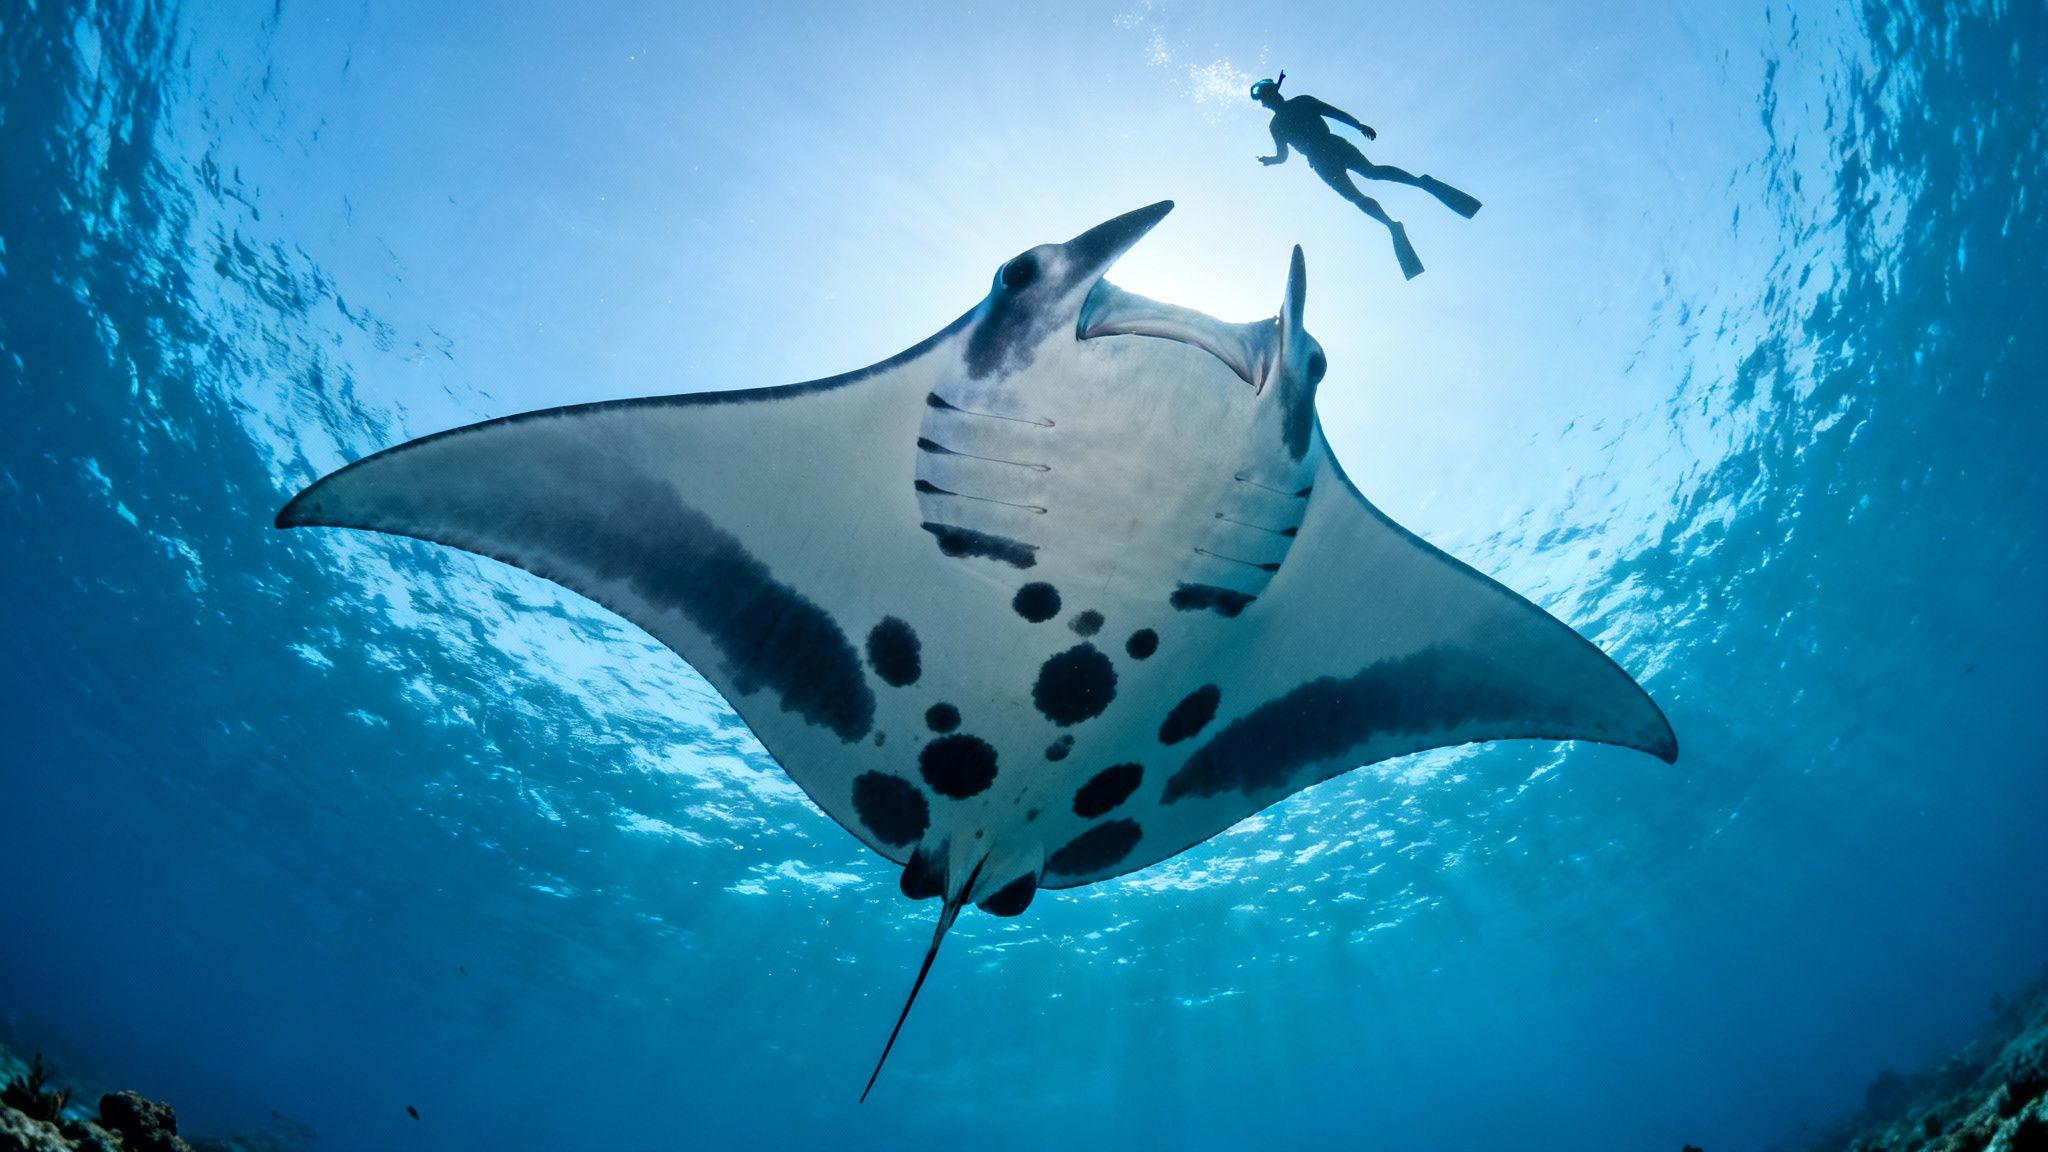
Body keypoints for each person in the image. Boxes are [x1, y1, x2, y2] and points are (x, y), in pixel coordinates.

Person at [1250, 72, 1481, 279]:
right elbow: (1283, 155)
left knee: (1370, 174)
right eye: (1265, 100)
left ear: (1274, 95)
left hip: (1330, 148)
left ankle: (1418, 185)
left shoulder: (1300, 104)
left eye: (1266, 98)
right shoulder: (1277, 125)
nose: (1267, 103)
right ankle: (1393, 223)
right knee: (1358, 194)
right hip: (1321, 159)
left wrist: (1359, 125)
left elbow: (1334, 113)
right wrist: (1271, 160)